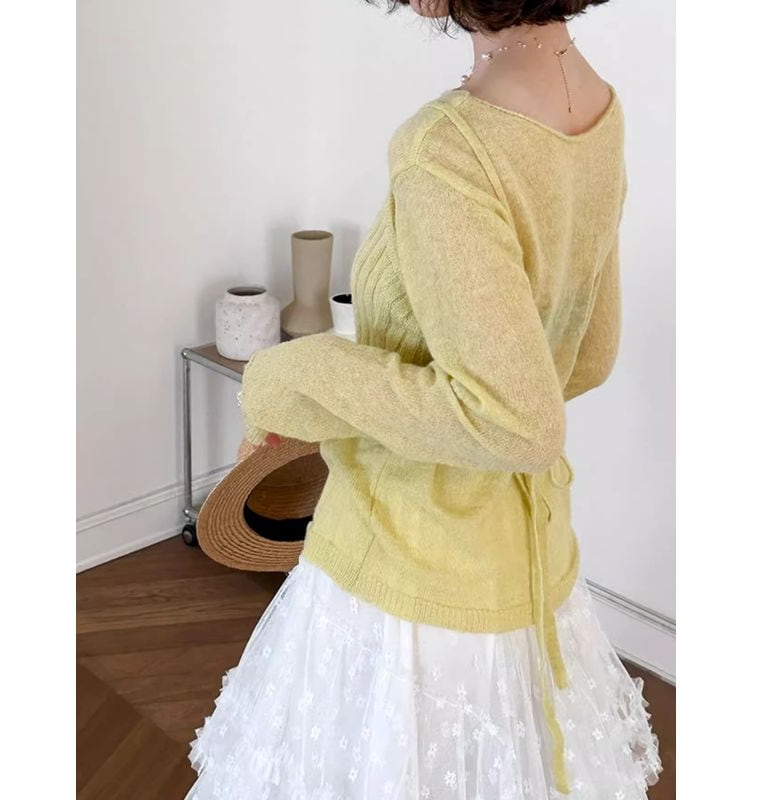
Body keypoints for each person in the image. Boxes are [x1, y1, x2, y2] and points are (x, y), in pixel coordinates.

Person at [185, 1, 662, 797]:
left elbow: (516, 420)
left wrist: (291, 376)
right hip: (528, 557)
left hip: (411, 569)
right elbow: (588, 358)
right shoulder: (595, 106)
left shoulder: (450, 147)